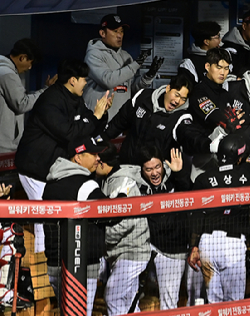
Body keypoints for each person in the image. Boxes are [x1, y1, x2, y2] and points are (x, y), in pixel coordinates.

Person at [15, 59, 111, 200]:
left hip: (54, 167)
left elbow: (88, 127)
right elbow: (69, 133)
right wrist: (95, 117)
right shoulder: (49, 101)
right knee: (44, 216)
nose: (85, 83)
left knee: (57, 215)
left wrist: (101, 114)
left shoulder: (75, 98)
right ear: (73, 80)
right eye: (84, 79)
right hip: (35, 168)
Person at [189, 134, 250, 303]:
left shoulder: (203, 179)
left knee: (214, 303)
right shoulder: (247, 175)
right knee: (234, 303)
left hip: (207, 243)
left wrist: (194, 246)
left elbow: (196, 216)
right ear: (239, 157)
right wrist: (239, 133)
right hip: (233, 245)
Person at [42, 136, 108, 316]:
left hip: (55, 264)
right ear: (77, 158)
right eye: (92, 154)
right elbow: (109, 215)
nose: (97, 158)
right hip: (81, 266)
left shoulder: (50, 184)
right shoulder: (85, 185)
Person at [104, 73, 213, 164]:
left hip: (155, 175)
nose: (178, 101)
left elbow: (191, 136)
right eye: (176, 95)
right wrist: (99, 139)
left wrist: (209, 145)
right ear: (168, 88)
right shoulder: (142, 97)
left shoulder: (181, 117)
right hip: (127, 166)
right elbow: (118, 124)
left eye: (183, 99)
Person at [95, 143, 150, 316]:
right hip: (122, 252)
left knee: (113, 296)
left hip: (132, 251)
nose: (94, 166)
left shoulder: (121, 183)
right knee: (128, 302)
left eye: (97, 163)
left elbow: (126, 223)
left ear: (104, 164)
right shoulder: (110, 179)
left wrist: (102, 239)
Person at [138, 146, 191, 310]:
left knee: (169, 302)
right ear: (142, 170)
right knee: (130, 296)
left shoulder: (174, 179)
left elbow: (190, 193)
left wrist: (179, 172)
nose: (154, 173)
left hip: (172, 250)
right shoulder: (137, 186)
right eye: (149, 169)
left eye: (157, 167)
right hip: (146, 246)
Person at [84, 14, 164, 120]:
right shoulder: (93, 55)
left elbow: (132, 88)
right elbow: (108, 81)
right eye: (115, 31)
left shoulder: (126, 56)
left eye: (121, 31)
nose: (119, 35)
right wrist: (136, 64)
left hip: (119, 123)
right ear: (102, 33)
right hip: (98, 121)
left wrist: (149, 76)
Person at [0, 38, 56, 153]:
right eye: (30, 62)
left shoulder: (8, 71)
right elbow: (22, 104)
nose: (30, 67)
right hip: (3, 145)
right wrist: (46, 90)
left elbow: (19, 97)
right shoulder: (7, 74)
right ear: (23, 57)